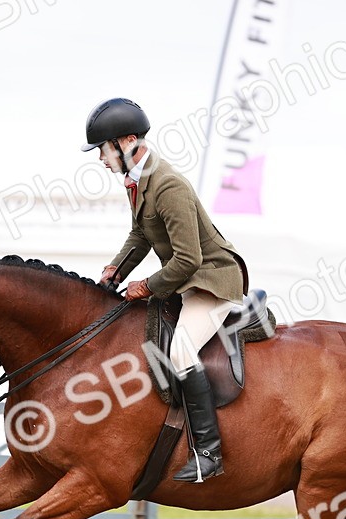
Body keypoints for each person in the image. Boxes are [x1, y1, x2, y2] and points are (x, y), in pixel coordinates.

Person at [83, 97, 246, 483]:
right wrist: (115, 270)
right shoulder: (138, 180)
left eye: (104, 150)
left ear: (126, 142)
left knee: (182, 350)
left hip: (212, 279)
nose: (101, 159)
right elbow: (141, 233)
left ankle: (208, 452)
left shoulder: (168, 185)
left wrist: (145, 287)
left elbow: (188, 260)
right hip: (187, 278)